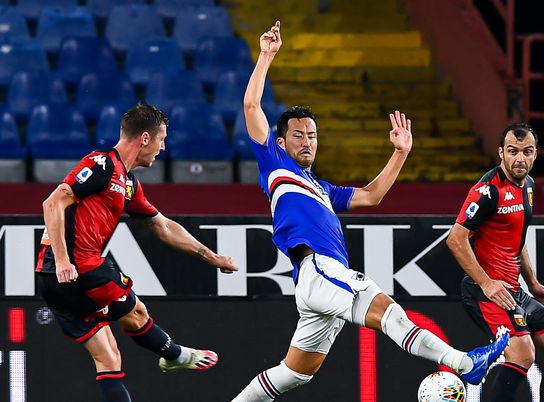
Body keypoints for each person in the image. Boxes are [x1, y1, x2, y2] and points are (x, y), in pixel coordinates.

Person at [230, 21, 509, 401]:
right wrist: (266, 55)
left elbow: (370, 196)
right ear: (281, 141)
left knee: (294, 374)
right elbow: (251, 105)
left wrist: (400, 154)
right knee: (389, 312)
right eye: (298, 134)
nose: (307, 141)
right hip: (320, 269)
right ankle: (463, 363)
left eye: (312, 135)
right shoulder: (275, 164)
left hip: (318, 281)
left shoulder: (322, 188)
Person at [35, 104, 238, 402]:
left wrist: (213, 258)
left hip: (55, 280)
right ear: (145, 138)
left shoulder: (128, 183)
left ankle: (173, 356)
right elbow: (52, 204)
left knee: (109, 358)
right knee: (135, 310)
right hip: (76, 267)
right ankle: (175, 354)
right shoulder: (102, 163)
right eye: (161, 139)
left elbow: (163, 227)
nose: (163, 147)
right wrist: (64, 261)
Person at [446, 123, 544, 402]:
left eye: (527, 152)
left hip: (514, 290)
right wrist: (487, 283)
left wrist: (533, 283)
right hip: (485, 291)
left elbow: (516, 240)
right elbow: (455, 239)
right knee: (522, 353)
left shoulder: (527, 186)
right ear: (501, 153)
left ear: (535, 154)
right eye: (513, 151)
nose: (520, 158)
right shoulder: (487, 190)